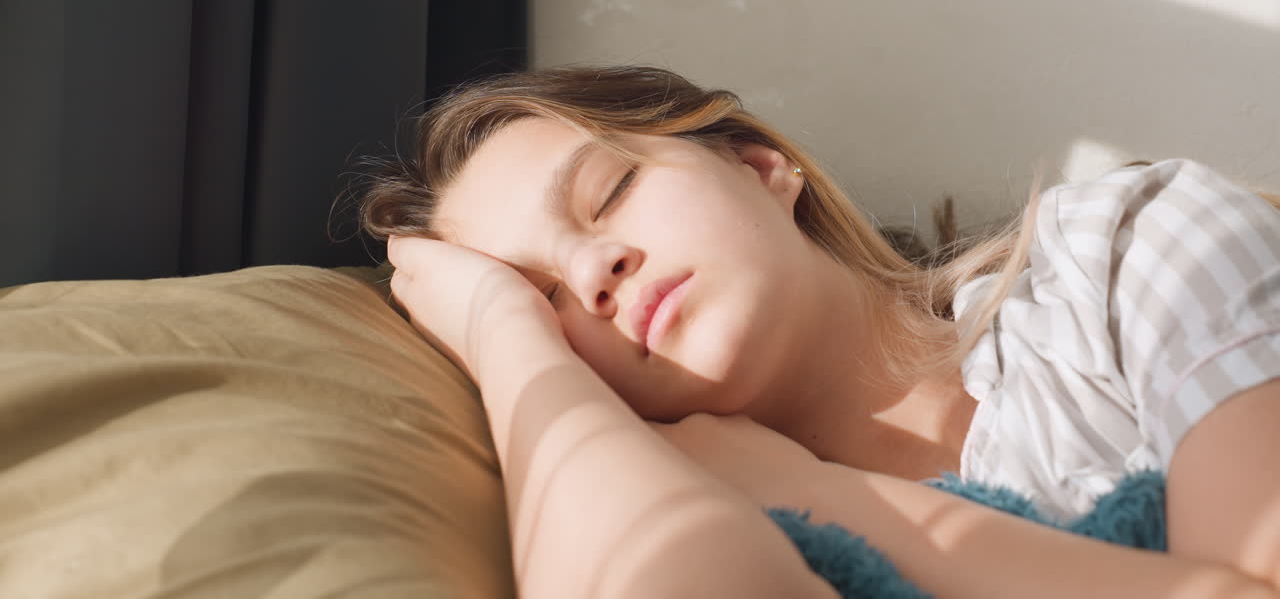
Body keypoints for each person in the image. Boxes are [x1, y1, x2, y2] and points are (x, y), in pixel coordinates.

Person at [357, 65, 1280, 599]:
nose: (594, 270)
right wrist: (505, 338)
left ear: (761, 167)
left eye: (611, 190)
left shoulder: (1122, 255)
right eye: (546, 296)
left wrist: (820, 494)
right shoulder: (694, 521)